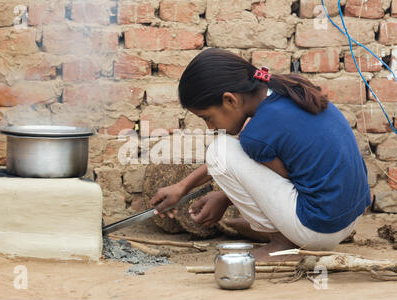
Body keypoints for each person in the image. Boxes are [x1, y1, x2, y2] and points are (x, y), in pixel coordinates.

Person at [149, 48, 371, 262]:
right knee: (237, 147)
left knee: (219, 150)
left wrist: (226, 196)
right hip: (349, 219)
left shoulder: (256, 133)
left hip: (319, 229)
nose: (210, 127)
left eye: (207, 117)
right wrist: (184, 188)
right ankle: (290, 235)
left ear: (230, 100)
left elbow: (286, 180)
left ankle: (282, 243)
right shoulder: (286, 89)